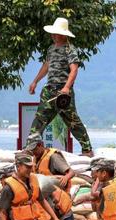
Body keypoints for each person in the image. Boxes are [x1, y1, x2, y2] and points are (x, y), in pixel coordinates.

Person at [27, 17, 92, 156]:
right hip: (49, 90)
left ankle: (87, 150)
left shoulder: (70, 49)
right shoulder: (51, 49)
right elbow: (46, 66)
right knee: (39, 120)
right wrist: (35, 81)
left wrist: (67, 88)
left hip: (62, 92)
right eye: (53, 33)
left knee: (73, 122)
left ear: (63, 34)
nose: (53, 35)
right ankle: (30, 149)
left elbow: (74, 69)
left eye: (56, 33)